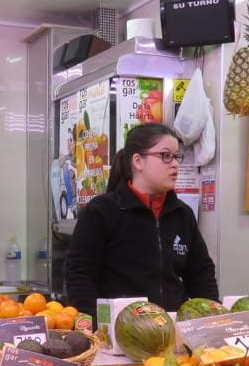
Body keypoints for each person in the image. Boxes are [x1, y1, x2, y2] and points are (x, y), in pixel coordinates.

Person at [64, 123, 218, 320]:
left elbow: (201, 274)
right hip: (120, 330)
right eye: (165, 155)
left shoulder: (182, 214)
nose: (175, 164)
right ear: (138, 161)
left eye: (176, 156)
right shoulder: (101, 211)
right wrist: (98, 324)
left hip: (172, 328)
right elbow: (79, 275)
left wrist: (212, 320)